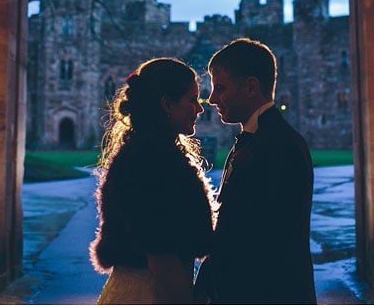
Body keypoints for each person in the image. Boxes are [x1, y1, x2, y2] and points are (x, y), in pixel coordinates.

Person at [194, 38, 317, 304]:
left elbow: (263, 241)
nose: (212, 99)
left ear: (251, 87)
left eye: (221, 88)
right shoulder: (258, 138)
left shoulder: (279, 146)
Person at [89, 57, 217, 304]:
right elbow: (162, 258)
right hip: (150, 295)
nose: (200, 108)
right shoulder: (153, 161)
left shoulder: (147, 153)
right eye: (192, 100)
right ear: (166, 104)